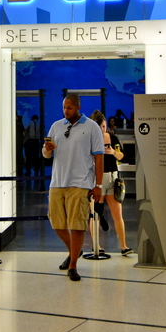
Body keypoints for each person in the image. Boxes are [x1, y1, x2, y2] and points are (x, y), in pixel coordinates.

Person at [42, 93, 103, 282]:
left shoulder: (91, 127)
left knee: (77, 225)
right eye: (64, 108)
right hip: (58, 182)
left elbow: (99, 157)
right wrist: (46, 150)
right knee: (56, 222)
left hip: (80, 183)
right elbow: (46, 154)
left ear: (78, 107)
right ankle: (74, 251)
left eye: (69, 108)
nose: (66, 111)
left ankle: (73, 266)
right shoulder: (56, 126)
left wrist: (98, 185)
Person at [90, 111, 133, 256]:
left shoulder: (112, 137)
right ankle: (97, 245)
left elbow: (122, 156)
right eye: (99, 127)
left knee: (118, 213)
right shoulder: (89, 140)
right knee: (95, 214)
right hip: (97, 179)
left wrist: (113, 152)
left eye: (103, 126)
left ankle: (124, 246)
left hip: (113, 178)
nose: (102, 130)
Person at [23, 114, 43, 189]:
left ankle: (28, 171)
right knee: (36, 157)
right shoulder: (39, 124)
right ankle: (36, 170)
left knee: (28, 157)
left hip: (30, 141)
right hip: (36, 141)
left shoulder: (29, 123)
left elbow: (25, 131)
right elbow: (42, 132)